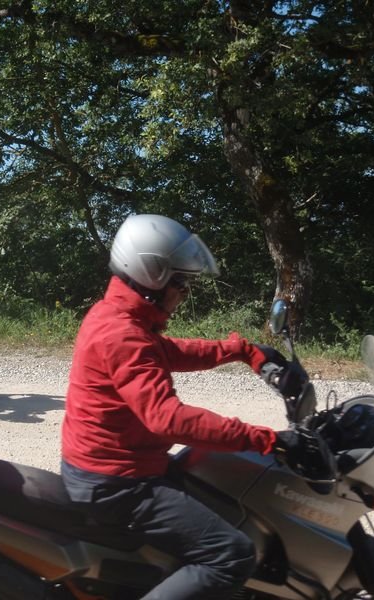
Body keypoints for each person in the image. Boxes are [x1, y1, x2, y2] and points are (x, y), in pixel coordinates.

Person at [60, 214, 296, 600]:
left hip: (114, 468)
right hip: (118, 483)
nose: (185, 292)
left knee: (218, 485)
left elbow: (169, 352)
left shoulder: (120, 317)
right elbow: (167, 418)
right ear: (153, 277)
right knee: (232, 553)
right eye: (181, 283)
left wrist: (241, 350)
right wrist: (268, 440)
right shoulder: (122, 334)